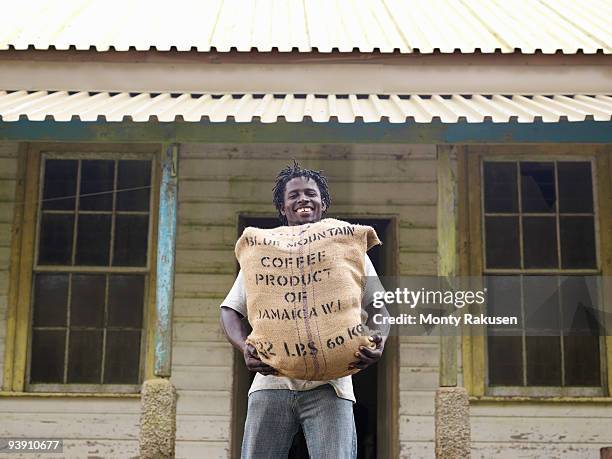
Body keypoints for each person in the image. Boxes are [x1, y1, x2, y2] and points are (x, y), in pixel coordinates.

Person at [220, 162, 388, 459]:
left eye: (310, 193)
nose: (303, 200)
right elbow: (231, 310)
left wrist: (378, 341)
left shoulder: (345, 246)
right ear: (283, 208)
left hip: (331, 387)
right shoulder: (264, 252)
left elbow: (378, 307)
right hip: (271, 382)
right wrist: (245, 347)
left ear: (323, 204)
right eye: (294, 195)